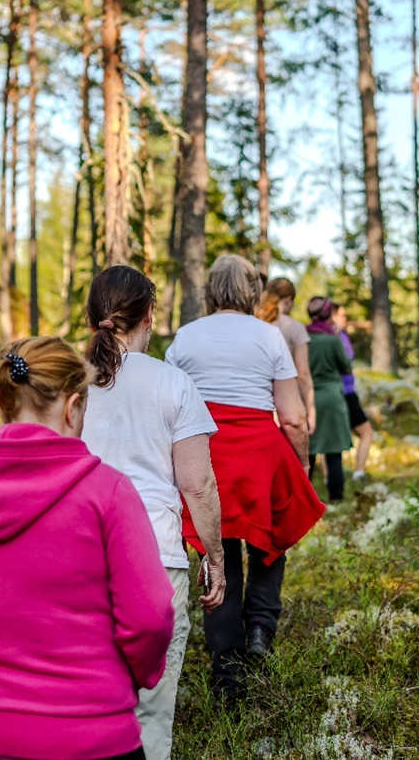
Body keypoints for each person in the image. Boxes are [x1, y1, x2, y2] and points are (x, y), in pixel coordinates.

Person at [0, 337, 174, 760]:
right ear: (72, 406)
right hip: (91, 735)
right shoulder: (108, 493)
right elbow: (151, 618)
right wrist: (127, 679)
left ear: (7, 402)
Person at [81, 265, 227, 760]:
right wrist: (216, 558)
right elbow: (199, 485)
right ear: (150, 315)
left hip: (79, 558)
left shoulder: (68, 387)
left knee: (83, 703)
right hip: (155, 558)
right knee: (151, 708)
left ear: (93, 317)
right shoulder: (173, 383)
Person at [164, 254, 325, 703]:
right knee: (270, 542)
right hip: (259, 451)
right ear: (252, 291)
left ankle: (226, 669)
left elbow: (173, 407)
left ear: (211, 289)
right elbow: (292, 418)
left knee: (219, 555)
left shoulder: (185, 337)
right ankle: (259, 629)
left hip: (207, 452)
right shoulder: (269, 335)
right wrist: (302, 467)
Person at [304, 297, 353, 502]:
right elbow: (346, 366)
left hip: (308, 398)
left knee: (308, 453)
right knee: (334, 452)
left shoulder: (303, 337)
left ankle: (304, 499)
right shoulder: (333, 339)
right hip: (332, 397)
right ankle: (336, 497)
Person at [256, 277, 317, 434]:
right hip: (287, 403)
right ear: (289, 299)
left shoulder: (255, 323)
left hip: (259, 402)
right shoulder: (295, 328)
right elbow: (303, 374)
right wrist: (310, 410)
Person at [332, 303, 375, 480]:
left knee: (338, 436)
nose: (346, 319)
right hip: (344, 392)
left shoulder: (341, 334)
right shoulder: (334, 336)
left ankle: (337, 476)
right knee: (366, 432)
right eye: (342, 315)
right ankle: (358, 472)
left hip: (346, 389)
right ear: (332, 316)